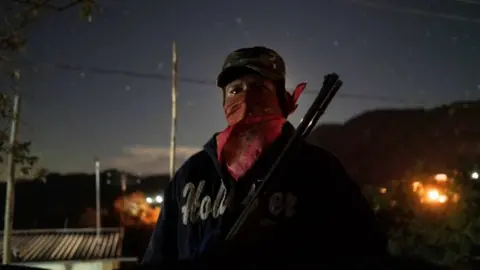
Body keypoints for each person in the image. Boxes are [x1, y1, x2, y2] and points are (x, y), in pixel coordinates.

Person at [141, 46, 388, 268]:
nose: (246, 97)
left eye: (259, 86)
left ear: (281, 99)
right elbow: (159, 256)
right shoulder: (191, 174)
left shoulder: (319, 168)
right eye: (235, 90)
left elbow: (366, 251)